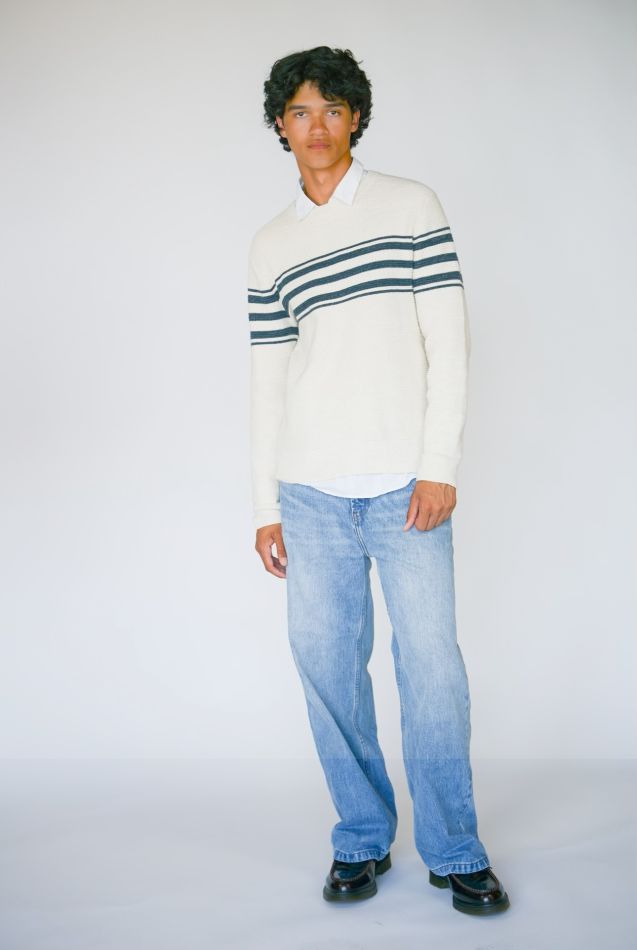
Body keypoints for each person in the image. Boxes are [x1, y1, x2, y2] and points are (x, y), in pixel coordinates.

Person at [246, 45, 510, 916]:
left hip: (405, 489)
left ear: (354, 116)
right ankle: (360, 837)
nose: (315, 126)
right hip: (308, 494)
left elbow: (449, 346)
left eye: (331, 109)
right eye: (299, 112)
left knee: (431, 671)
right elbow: (267, 382)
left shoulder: (409, 206)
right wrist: (264, 504)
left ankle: (454, 848)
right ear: (280, 125)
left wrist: (438, 467)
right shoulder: (271, 245)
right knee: (327, 670)